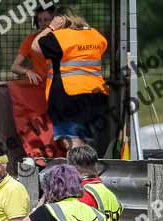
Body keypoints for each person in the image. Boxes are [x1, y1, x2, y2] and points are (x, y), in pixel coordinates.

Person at [32, 6, 109, 151]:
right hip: (97, 95)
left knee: (71, 139)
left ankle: (78, 164)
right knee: (89, 139)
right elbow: (103, 46)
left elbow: (35, 46)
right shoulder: (95, 34)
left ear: (59, 19)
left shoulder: (58, 37)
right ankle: (88, 163)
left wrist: (51, 27)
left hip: (68, 96)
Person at [11, 6, 55, 85]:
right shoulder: (30, 40)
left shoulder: (63, 38)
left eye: (46, 20)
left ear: (54, 21)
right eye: (39, 20)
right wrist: (27, 71)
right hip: (39, 84)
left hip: (59, 84)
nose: (42, 23)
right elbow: (14, 67)